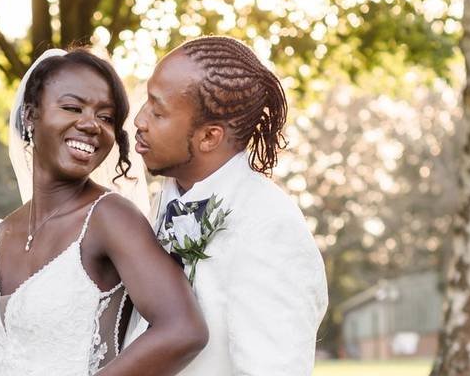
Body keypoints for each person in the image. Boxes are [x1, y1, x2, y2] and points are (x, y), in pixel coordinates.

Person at [0, 49, 208, 375]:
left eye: (106, 117)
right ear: (29, 116)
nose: (91, 124)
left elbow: (183, 329)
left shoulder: (110, 218)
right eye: (72, 107)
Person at [125, 36, 328, 375]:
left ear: (209, 137)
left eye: (158, 111)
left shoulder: (268, 225)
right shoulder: (162, 202)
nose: (139, 120)